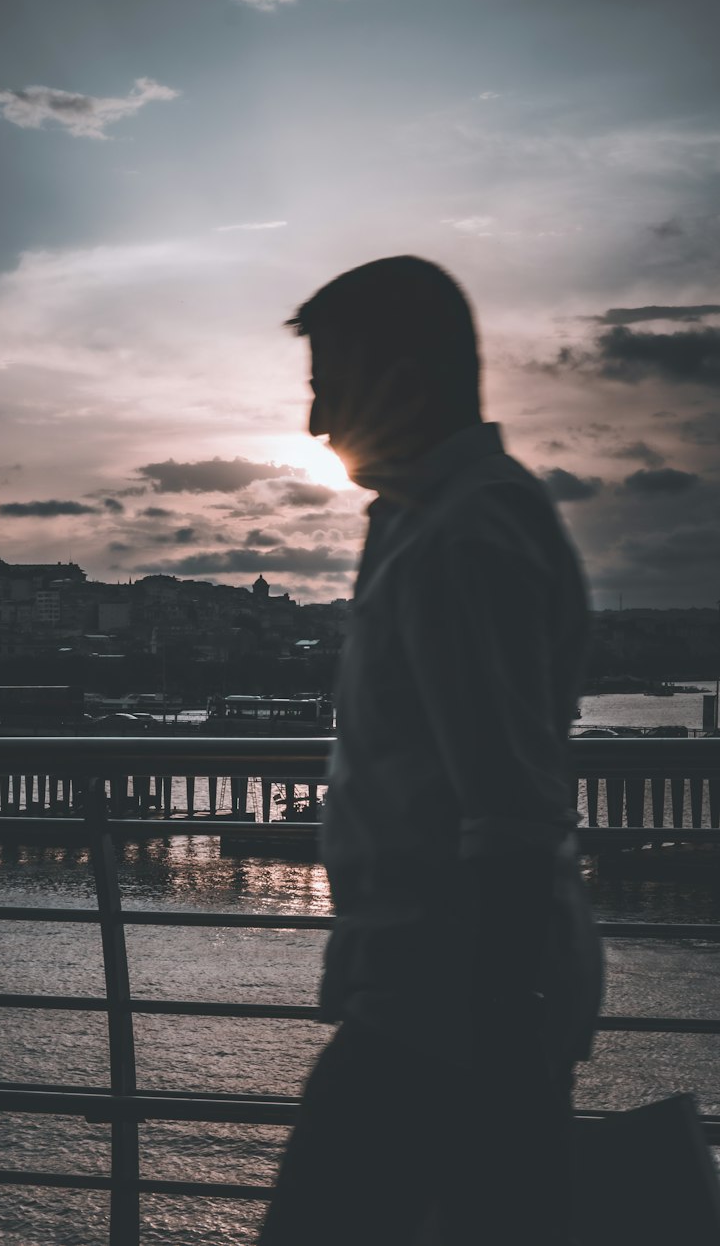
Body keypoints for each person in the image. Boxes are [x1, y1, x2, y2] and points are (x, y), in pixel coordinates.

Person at [258, 257, 603, 1246]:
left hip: (441, 998)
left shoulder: (463, 534)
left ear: (400, 383)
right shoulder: (434, 519)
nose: (316, 424)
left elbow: (508, 807)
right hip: (443, 990)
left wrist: (498, 1044)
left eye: (327, 385)